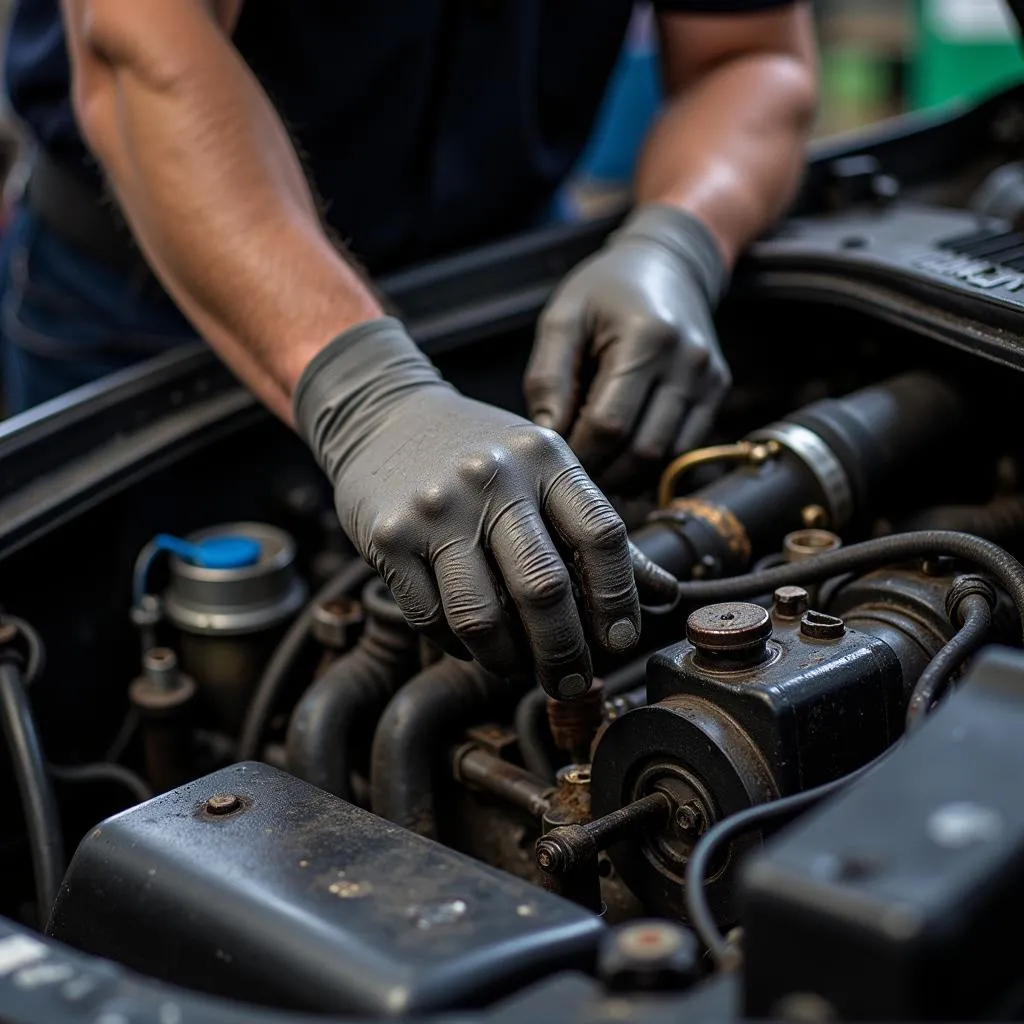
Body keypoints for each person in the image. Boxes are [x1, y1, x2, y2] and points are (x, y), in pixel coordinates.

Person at [0, 1, 817, 697]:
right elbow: (139, 44)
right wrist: (367, 391)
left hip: (499, 282)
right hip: (151, 300)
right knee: (100, 698)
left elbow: (748, 56)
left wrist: (677, 239)